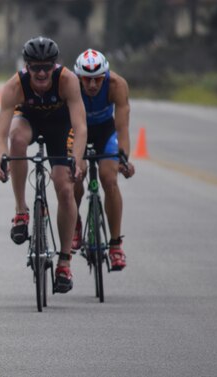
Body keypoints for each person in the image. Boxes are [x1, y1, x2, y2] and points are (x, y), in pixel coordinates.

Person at [0, 36, 86, 293]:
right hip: (29, 119)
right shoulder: (15, 86)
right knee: (17, 139)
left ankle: (64, 262)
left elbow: (80, 127)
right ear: (27, 67)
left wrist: (76, 162)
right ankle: (21, 210)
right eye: (36, 67)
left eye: (47, 66)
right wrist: (2, 160)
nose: (42, 73)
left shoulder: (68, 81)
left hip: (60, 126)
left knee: (64, 187)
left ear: (55, 65)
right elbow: (0, 135)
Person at [72, 48, 135, 270]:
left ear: (105, 76)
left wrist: (124, 158)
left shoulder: (117, 85)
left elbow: (122, 127)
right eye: (87, 80)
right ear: (78, 77)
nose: (92, 85)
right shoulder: (69, 85)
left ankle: (116, 245)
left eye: (97, 79)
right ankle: (75, 223)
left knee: (109, 179)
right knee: (74, 174)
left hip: (105, 131)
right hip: (77, 130)